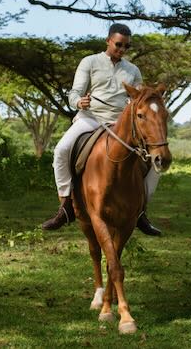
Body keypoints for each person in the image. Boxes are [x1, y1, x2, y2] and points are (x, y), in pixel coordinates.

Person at [41, 23, 163, 236]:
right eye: (118, 44)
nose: (122, 50)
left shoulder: (133, 70)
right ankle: (65, 207)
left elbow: (139, 97)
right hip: (91, 119)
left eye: (126, 46)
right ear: (108, 41)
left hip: (120, 124)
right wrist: (79, 102)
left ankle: (141, 211)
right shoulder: (89, 62)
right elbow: (74, 93)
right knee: (61, 150)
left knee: (155, 160)